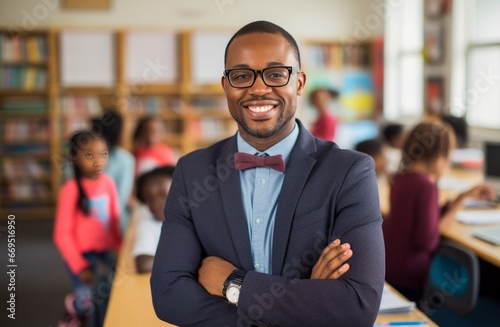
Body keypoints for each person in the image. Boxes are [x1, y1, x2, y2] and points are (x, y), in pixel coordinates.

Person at [151, 21, 385, 327]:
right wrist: (305, 305)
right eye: (241, 75)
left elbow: (357, 305)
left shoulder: (350, 172)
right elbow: (169, 295)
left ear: (299, 83)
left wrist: (233, 285)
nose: (259, 88)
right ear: (226, 86)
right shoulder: (192, 172)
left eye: (276, 74)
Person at [383, 121, 494, 302]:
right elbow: (428, 241)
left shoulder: (400, 179)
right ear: (438, 155)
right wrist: (458, 206)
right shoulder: (426, 186)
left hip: (390, 268)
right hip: (412, 276)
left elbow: (419, 218)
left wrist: (462, 197)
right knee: (487, 276)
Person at [54, 131, 122, 327]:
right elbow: (62, 235)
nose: (98, 161)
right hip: (81, 256)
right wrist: (79, 265)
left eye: (103, 153)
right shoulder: (70, 190)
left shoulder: (108, 183)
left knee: (106, 295)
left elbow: (114, 220)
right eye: (89, 155)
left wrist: (120, 247)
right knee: (86, 302)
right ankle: (73, 307)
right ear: (75, 158)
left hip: (104, 252)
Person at [91, 111, 135, 233]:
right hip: (113, 226)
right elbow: (120, 199)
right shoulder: (125, 160)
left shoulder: (81, 156)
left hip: (85, 222)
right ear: (119, 133)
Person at [132, 165, 175, 273]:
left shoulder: (195, 219)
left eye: (162, 196)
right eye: (149, 200)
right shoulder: (148, 226)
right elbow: (144, 264)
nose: (155, 205)